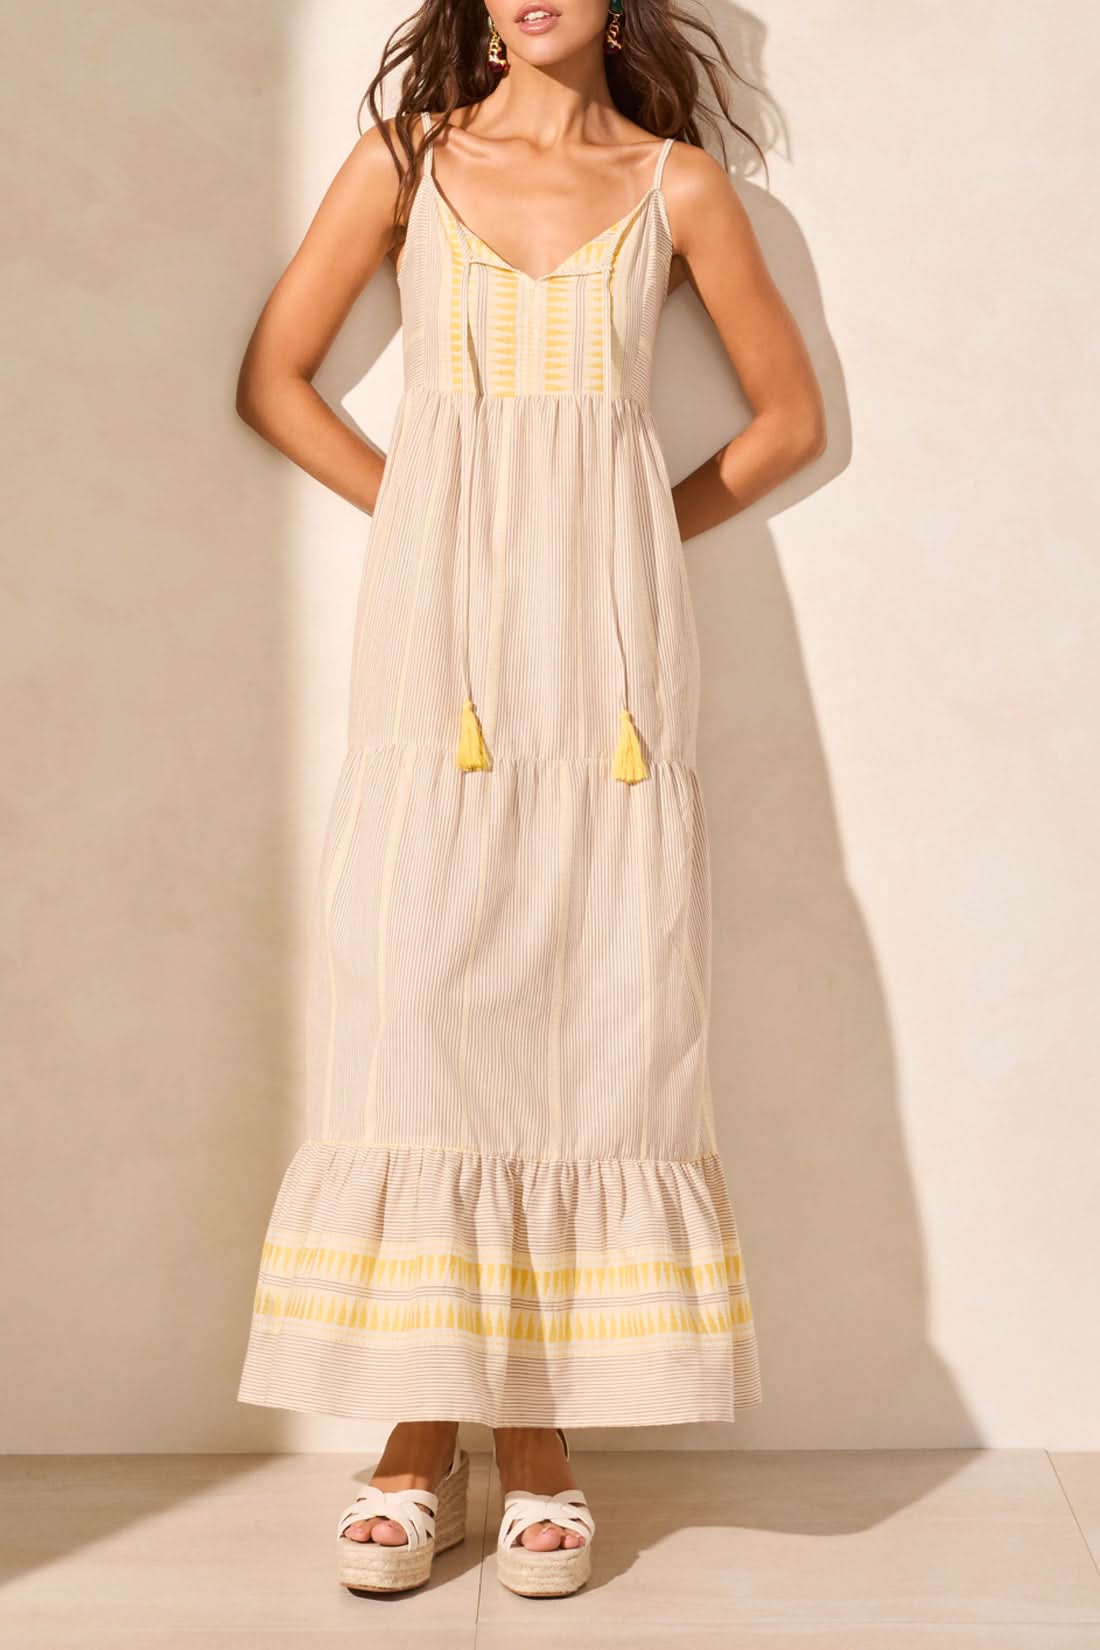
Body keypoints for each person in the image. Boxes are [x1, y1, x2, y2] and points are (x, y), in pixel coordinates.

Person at [234, 0, 825, 1601]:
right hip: (445, 663)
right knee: (419, 997)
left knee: (601, 1009)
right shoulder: (407, 161)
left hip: (615, 674)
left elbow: (788, 424)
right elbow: (277, 379)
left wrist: (622, 530)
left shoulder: (681, 186)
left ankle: (548, 1439)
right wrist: (435, 516)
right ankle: (421, 1437)